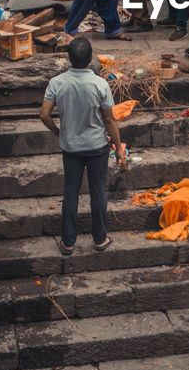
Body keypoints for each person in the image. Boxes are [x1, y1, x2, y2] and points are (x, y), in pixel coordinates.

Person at [39, 36, 126, 255]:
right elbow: (109, 120)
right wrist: (118, 149)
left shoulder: (57, 83)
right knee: (98, 193)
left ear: (69, 58)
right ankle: (100, 239)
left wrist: (59, 132)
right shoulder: (100, 83)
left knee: (70, 192)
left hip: (71, 148)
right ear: (90, 58)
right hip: (97, 147)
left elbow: (44, 115)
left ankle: (68, 243)